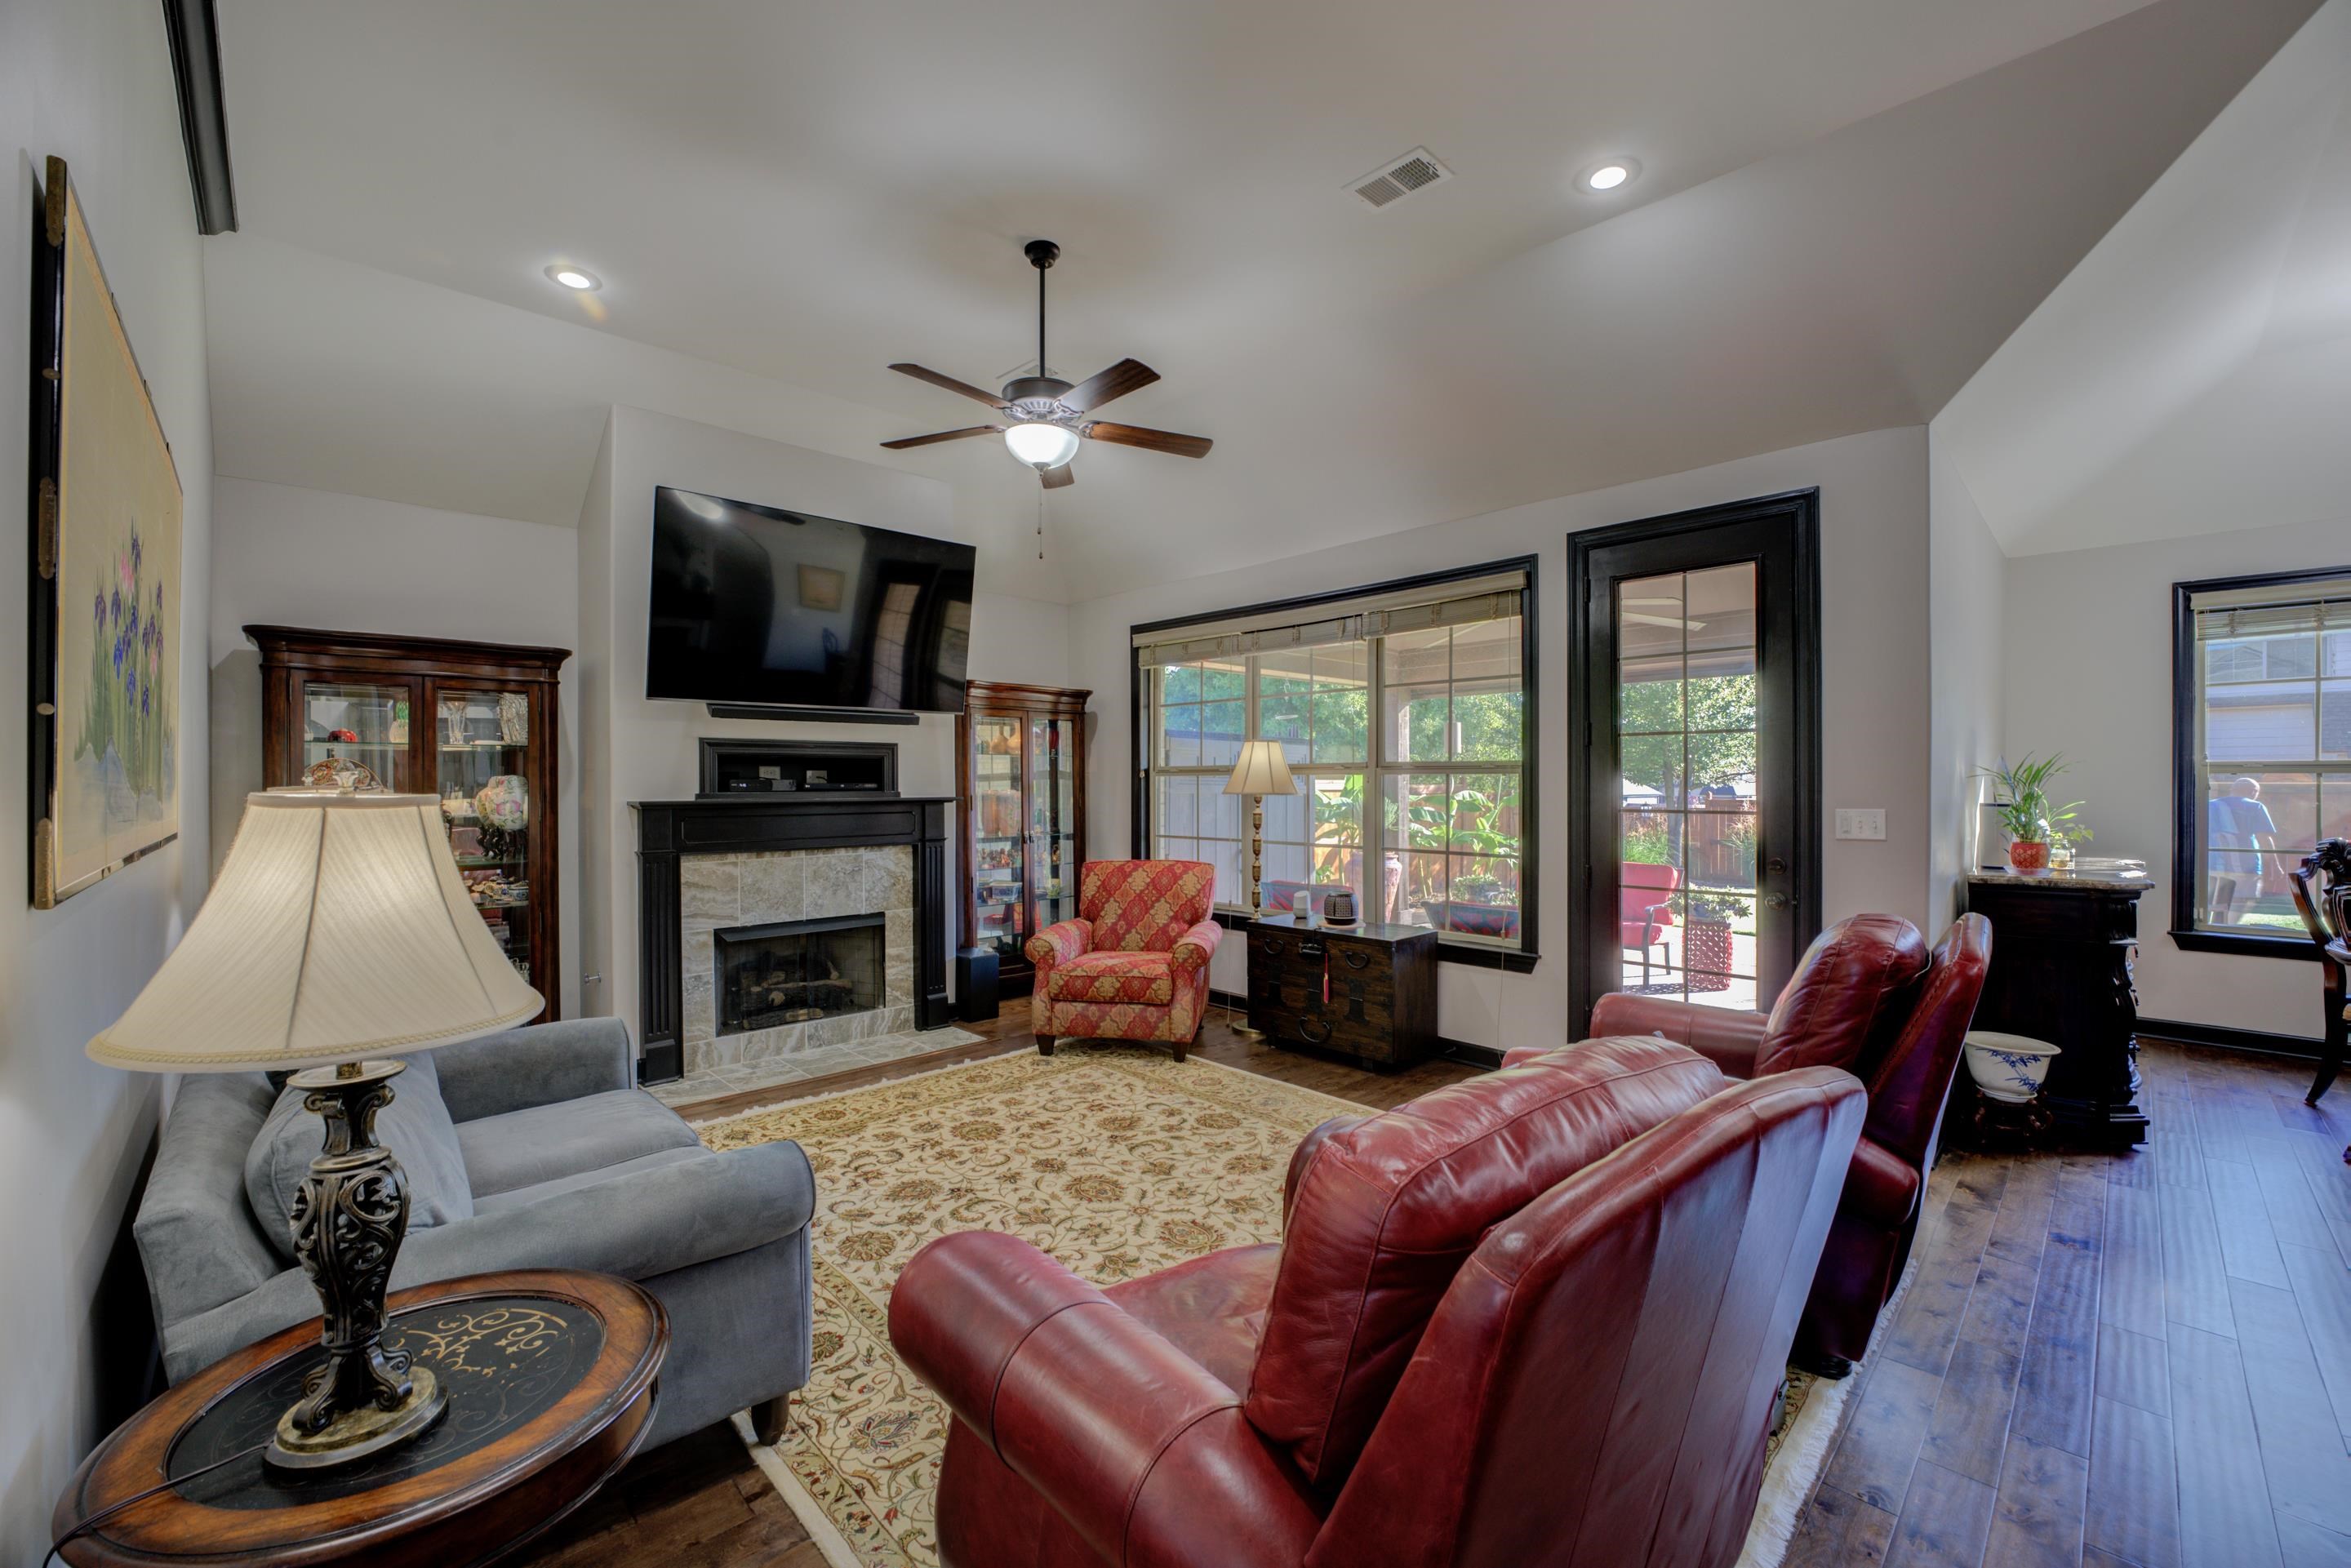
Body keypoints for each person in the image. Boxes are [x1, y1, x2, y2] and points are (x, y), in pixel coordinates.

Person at [2207, 775, 2279, 924]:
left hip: (2212, 863)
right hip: (2245, 865)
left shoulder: (2210, 806)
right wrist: (2275, 865)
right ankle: (2227, 929)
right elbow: (2264, 838)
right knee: (2242, 901)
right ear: (2254, 792)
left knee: (2214, 900)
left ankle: (2214, 928)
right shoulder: (2255, 806)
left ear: (2232, 790)